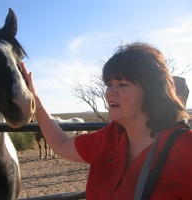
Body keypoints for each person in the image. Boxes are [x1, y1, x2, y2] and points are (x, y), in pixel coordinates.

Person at [21, 42, 192, 199]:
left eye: (122, 84)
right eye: (109, 84)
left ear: (153, 91)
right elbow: (62, 144)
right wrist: (36, 99)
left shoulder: (185, 147)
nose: (109, 92)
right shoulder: (108, 137)